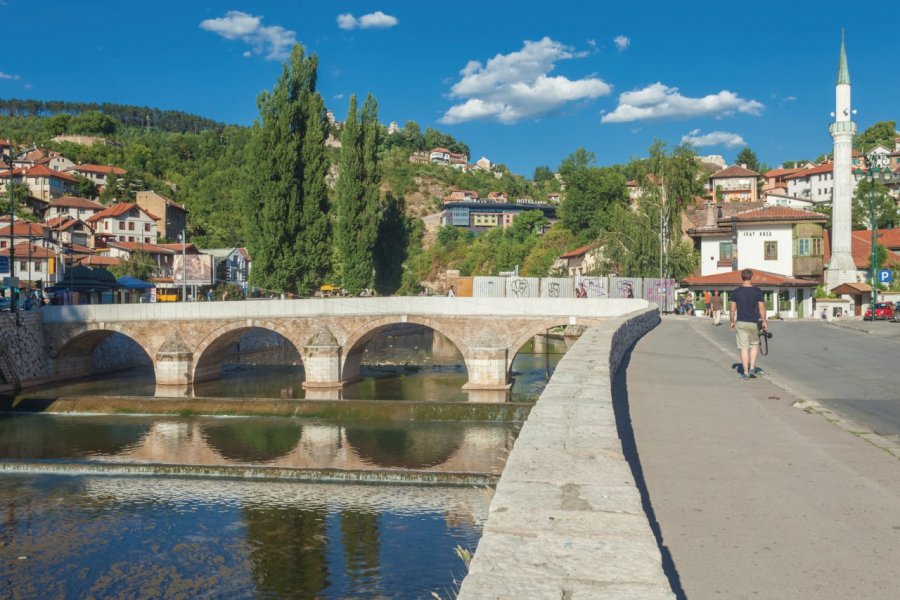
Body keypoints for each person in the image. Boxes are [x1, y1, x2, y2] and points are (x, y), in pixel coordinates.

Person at [730, 269, 768, 379]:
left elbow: (732, 309)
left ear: (742, 277)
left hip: (741, 322)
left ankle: (746, 373)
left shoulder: (736, 291)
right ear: (752, 277)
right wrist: (764, 321)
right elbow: (761, 308)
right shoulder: (757, 291)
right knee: (755, 344)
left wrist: (732, 321)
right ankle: (752, 367)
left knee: (744, 348)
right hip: (753, 322)